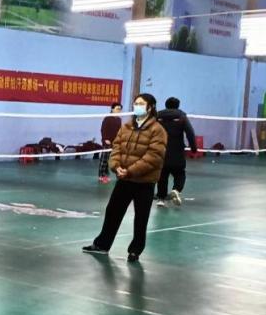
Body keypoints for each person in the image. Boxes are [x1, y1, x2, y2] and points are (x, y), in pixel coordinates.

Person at [83, 93, 166, 262]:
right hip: (124, 180)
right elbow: (116, 148)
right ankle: (102, 245)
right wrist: (116, 167)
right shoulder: (126, 127)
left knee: (141, 218)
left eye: (141, 104)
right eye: (136, 103)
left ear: (150, 107)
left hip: (144, 182)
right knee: (112, 212)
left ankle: (135, 250)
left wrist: (131, 171)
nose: (137, 106)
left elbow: (154, 156)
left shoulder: (158, 130)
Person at [156, 97, 197, 208]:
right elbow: (190, 133)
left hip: (161, 150)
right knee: (180, 173)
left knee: (162, 174)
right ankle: (176, 189)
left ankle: (161, 198)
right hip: (177, 150)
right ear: (178, 106)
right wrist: (194, 148)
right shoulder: (182, 117)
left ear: (166, 105)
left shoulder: (157, 116)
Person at [98, 103, 123, 184]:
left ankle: (107, 175)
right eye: (117, 108)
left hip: (115, 143)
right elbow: (103, 129)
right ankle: (101, 176)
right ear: (112, 109)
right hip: (107, 143)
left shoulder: (119, 119)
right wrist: (105, 139)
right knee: (104, 160)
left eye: (120, 109)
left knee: (114, 160)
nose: (119, 110)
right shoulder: (107, 118)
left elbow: (119, 131)